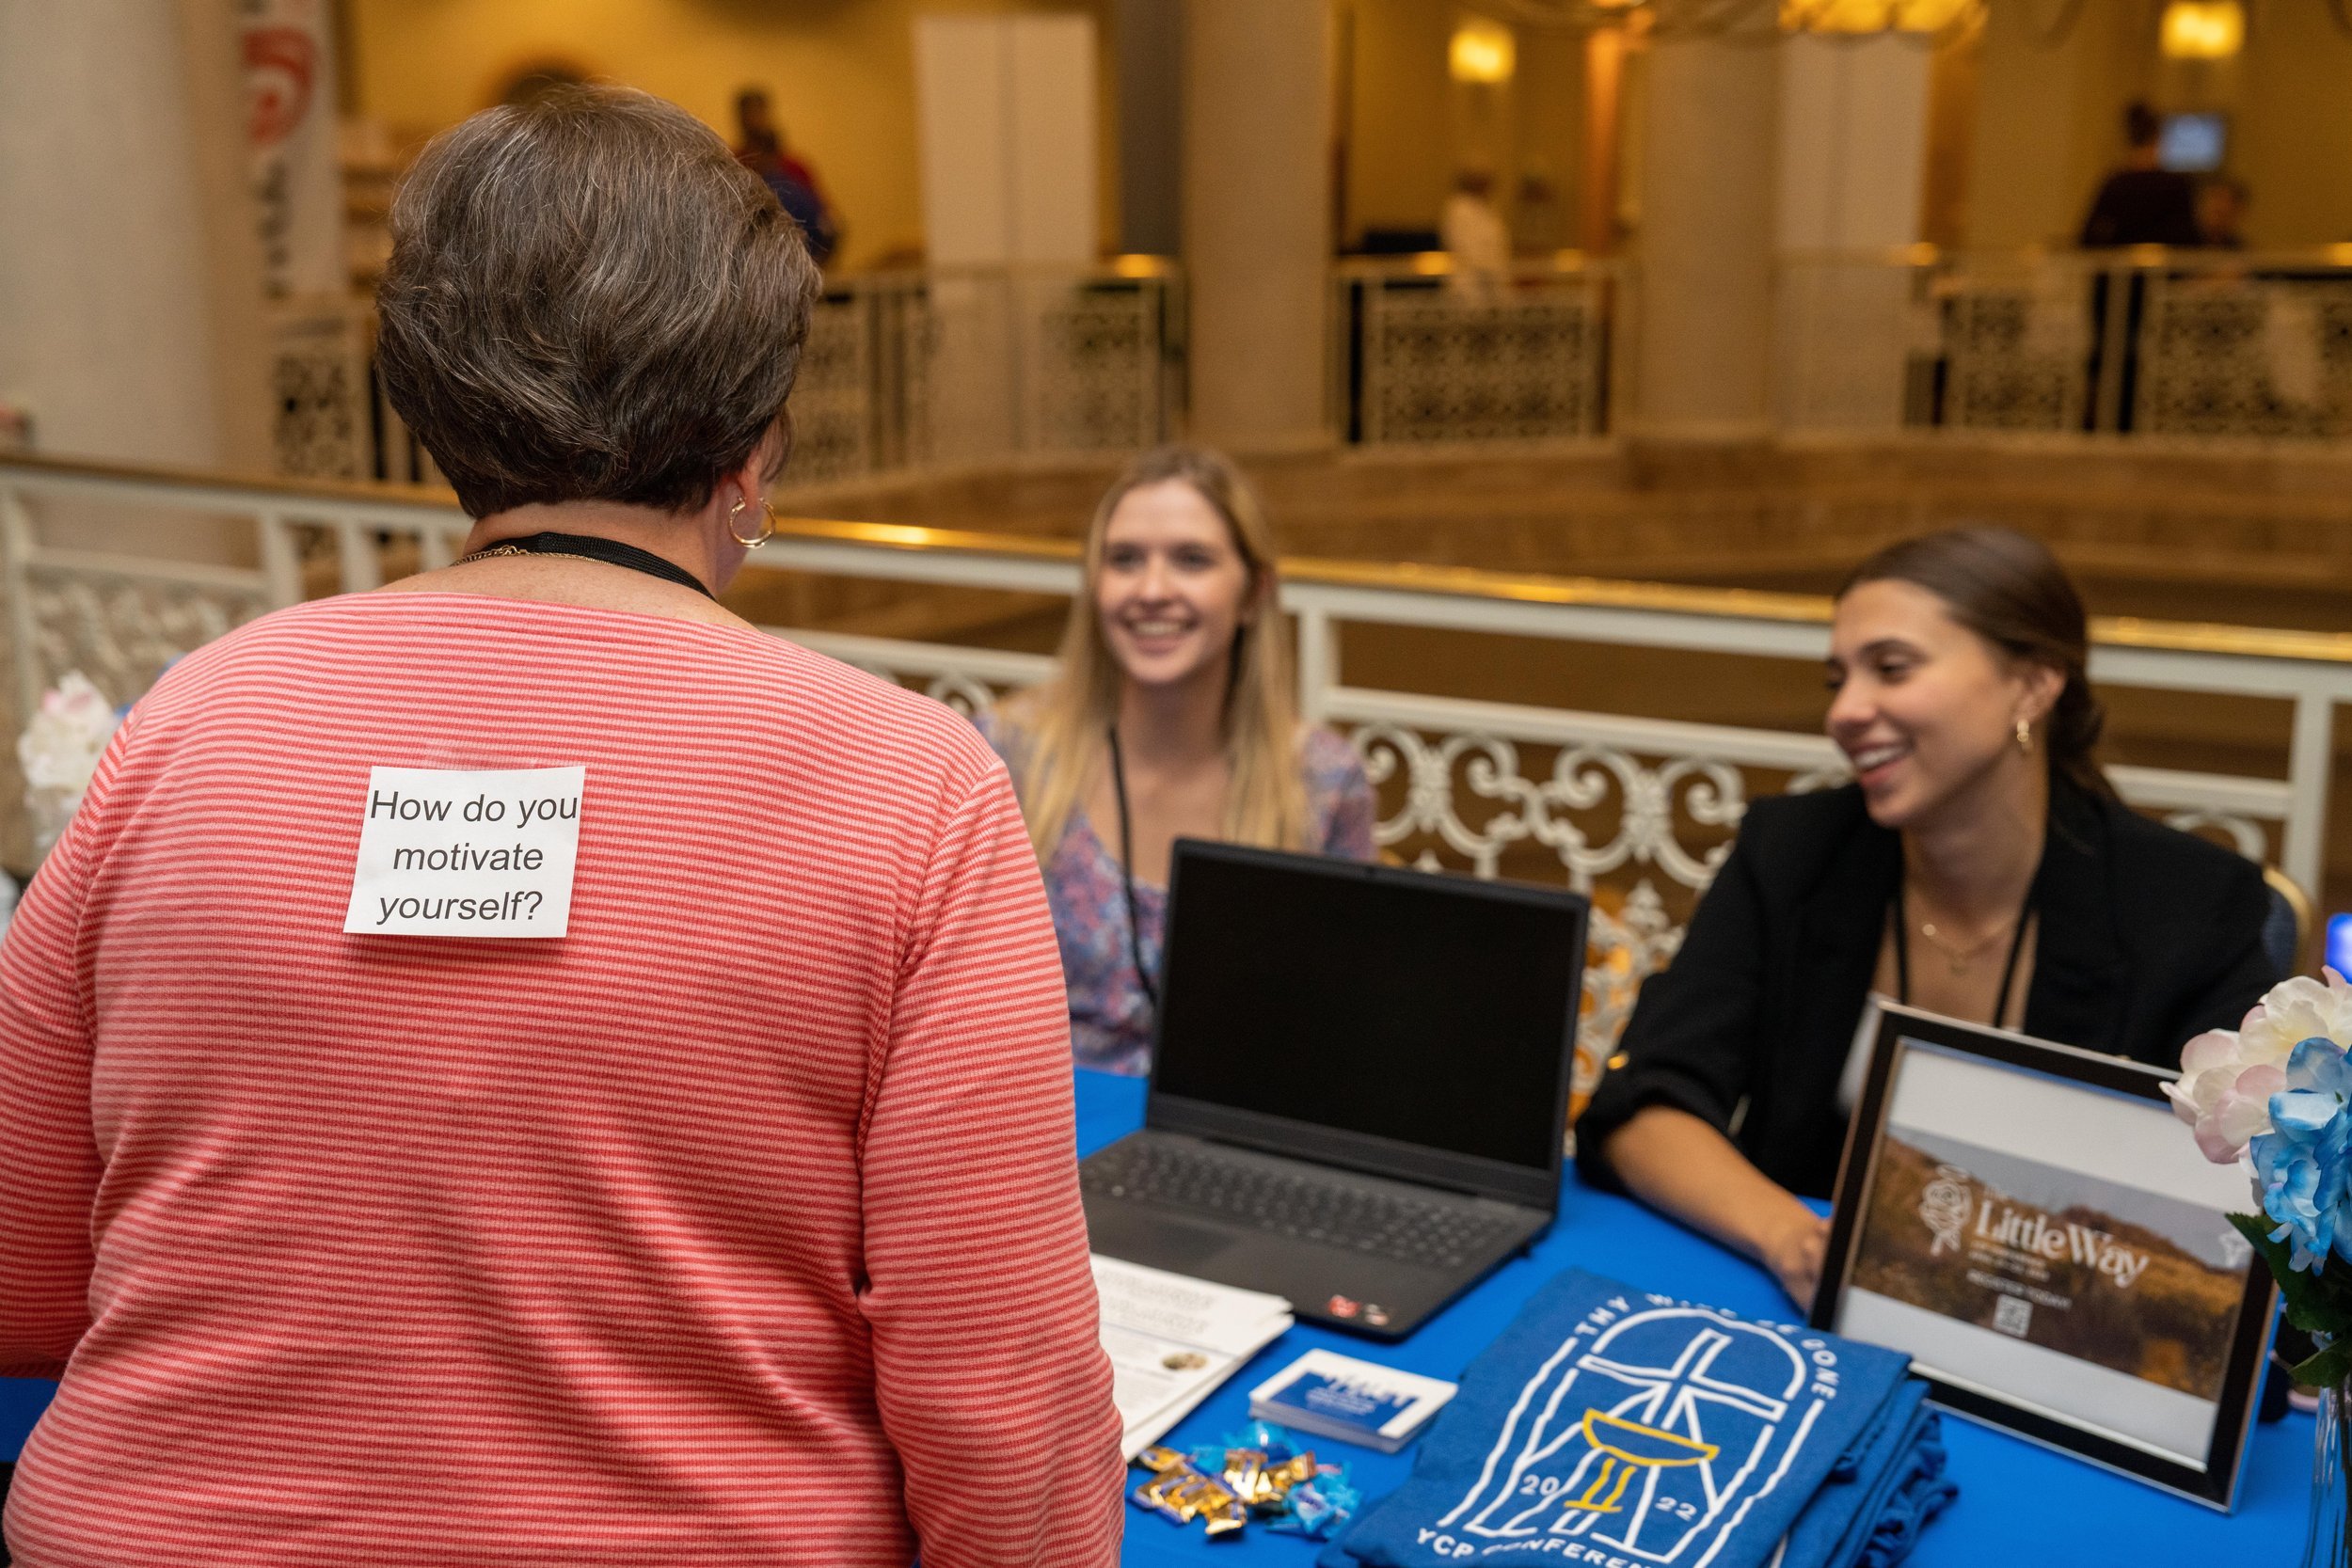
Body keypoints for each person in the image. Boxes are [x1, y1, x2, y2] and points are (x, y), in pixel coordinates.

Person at [0, 87, 1120, 1567]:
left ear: (432, 403)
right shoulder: (911, 785)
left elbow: (25, 1273)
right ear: (757, 448)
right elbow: (1005, 1403)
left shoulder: (193, 717)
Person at [1576, 528, 2277, 1310]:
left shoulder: (2186, 904)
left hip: (2075, 1327)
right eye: (1838, 678)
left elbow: (2243, 1202)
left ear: (2033, 685)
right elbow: (1644, 1104)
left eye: (1891, 668)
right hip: (1806, 1306)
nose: (1844, 711)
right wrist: (1793, 1238)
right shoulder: (1795, 852)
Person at [976, 445, 1377, 1076]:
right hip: (1036, 1113)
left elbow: (1342, 1014)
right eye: (1124, 560)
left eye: (1191, 560)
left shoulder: (1324, 780)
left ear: (1254, 594)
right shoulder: (1009, 754)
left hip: (1227, 1121)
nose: (1152, 590)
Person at [734, 86, 837, 265]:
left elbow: (828, 225)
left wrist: (814, 266)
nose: (753, 120)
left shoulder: (796, 169)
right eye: (748, 113)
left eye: (758, 112)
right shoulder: (732, 165)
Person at [2079, 102, 2201, 248]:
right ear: (2157, 139)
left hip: (2121, 262)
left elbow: (2089, 237)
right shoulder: (2177, 185)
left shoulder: (2115, 184)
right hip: (2166, 261)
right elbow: (2188, 239)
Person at [1441, 168, 1511, 293]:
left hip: (1492, 282)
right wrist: (1490, 266)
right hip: (1469, 283)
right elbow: (1468, 249)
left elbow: (1499, 245)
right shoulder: (1459, 209)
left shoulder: (1488, 208)